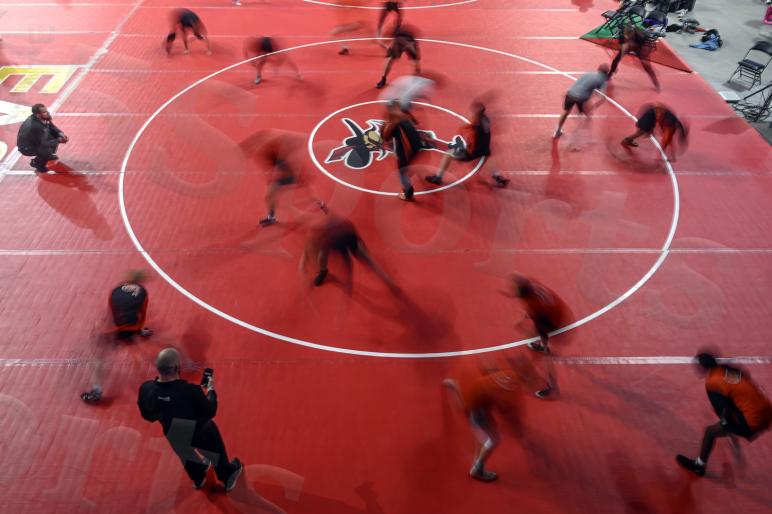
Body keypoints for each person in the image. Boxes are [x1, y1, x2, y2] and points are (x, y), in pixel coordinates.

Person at [138, 348, 243, 491]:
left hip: (173, 432)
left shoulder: (146, 389)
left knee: (186, 456)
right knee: (215, 452)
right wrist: (211, 391)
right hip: (200, 431)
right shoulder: (190, 391)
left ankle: (198, 478)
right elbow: (210, 411)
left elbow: (147, 416)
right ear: (177, 367)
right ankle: (228, 476)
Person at [676, 352, 772, 476]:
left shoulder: (712, 383)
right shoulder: (726, 369)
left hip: (753, 420)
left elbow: (724, 417)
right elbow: (745, 379)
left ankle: (699, 466)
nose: (696, 369)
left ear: (703, 368)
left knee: (710, 432)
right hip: (767, 409)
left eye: (697, 366)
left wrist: (734, 443)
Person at [80, 271, 154, 403]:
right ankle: (171, 366)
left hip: (115, 330)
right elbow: (142, 314)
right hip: (132, 329)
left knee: (99, 358)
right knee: (160, 342)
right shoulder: (143, 293)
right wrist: (138, 330)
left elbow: (111, 313)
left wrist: (102, 330)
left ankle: (96, 390)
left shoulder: (115, 292)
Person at [442, 363, 521, 482]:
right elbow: (503, 409)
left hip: (476, 393)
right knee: (495, 440)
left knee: (466, 407)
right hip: (478, 408)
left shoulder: (507, 373)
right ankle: (477, 470)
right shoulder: (510, 386)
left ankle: (455, 386)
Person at [501, 274, 570, 398]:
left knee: (545, 354)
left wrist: (543, 346)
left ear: (522, 293)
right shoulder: (531, 285)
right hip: (556, 311)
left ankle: (553, 387)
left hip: (553, 322)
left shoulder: (534, 306)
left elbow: (540, 324)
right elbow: (536, 307)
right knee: (530, 334)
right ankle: (537, 346)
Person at [300, 212, 397, 293]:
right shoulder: (318, 233)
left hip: (347, 237)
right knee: (323, 255)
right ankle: (323, 271)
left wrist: (302, 268)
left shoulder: (321, 232)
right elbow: (307, 252)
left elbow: (348, 263)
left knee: (366, 259)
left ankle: (386, 279)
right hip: (338, 237)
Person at [425, 102, 508, 187]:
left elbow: (470, 144)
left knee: (449, 154)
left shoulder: (475, 126)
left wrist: (462, 150)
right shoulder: (485, 120)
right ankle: (497, 176)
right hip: (485, 151)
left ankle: (438, 177)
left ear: (477, 113)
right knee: (487, 157)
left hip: (473, 153)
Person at [553, 64, 610, 138]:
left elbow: (581, 86)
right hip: (581, 98)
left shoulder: (588, 73)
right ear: (606, 73)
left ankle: (557, 130)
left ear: (598, 69)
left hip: (570, 93)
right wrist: (594, 106)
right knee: (588, 116)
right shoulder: (603, 80)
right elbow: (601, 97)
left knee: (566, 112)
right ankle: (582, 135)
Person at [381, 101, 422, 201]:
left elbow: (385, 137)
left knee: (401, 171)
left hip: (407, 150)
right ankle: (409, 168)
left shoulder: (393, 124)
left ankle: (408, 194)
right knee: (407, 164)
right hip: (418, 144)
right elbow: (415, 121)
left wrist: (386, 125)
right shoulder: (404, 113)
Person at [621, 102, 687, 157]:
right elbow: (659, 122)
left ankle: (628, 140)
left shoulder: (653, 110)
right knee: (640, 132)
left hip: (646, 120)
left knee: (640, 133)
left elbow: (657, 121)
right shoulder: (664, 117)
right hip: (646, 122)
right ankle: (626, 140)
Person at [16, 104, 68, 173]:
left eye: (46, 111)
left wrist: (60, 133)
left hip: (34, 142)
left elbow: (51, 126)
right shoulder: (35, 126)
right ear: (38, 115)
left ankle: (47, 155)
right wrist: (58, 140)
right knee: (47, 149)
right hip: (26, 148)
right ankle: (37, 163)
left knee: (54, 137)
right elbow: (43, 144)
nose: (48, 113)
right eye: (44, 112)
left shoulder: (41, 118)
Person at [608, 23, 660, 91]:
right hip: (639, 43)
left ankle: (656, 84)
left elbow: (646, 46)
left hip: (642, 45)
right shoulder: (626, 36)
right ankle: (610, 74)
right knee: (617, 58)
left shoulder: (641, 39)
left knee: (646, 64)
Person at [376, 25, 420, 89]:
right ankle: (383, 79)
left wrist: (385, 46)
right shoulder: (398, 40)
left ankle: (416, 79)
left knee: (415, 63)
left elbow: (409, 47)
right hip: (406, 42)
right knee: (389, 60)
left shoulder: (405, 41)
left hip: (409, 43)